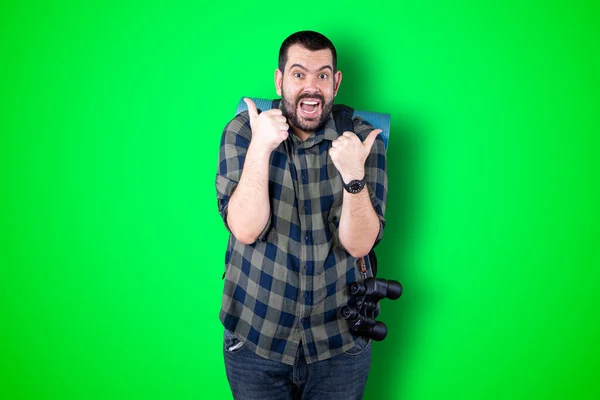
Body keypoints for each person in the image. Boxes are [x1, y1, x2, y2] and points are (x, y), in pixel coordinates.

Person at [215, 30, 388, 400]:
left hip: (339, 346)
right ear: (279, 80)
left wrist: (354, 177)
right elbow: (245, 229)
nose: (311, 87)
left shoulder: (361, 139)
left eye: (322, 75)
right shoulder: (244, 131)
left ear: (336, 83)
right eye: (298, 74)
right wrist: (261, 148)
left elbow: (359, 245)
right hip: (255, 339)